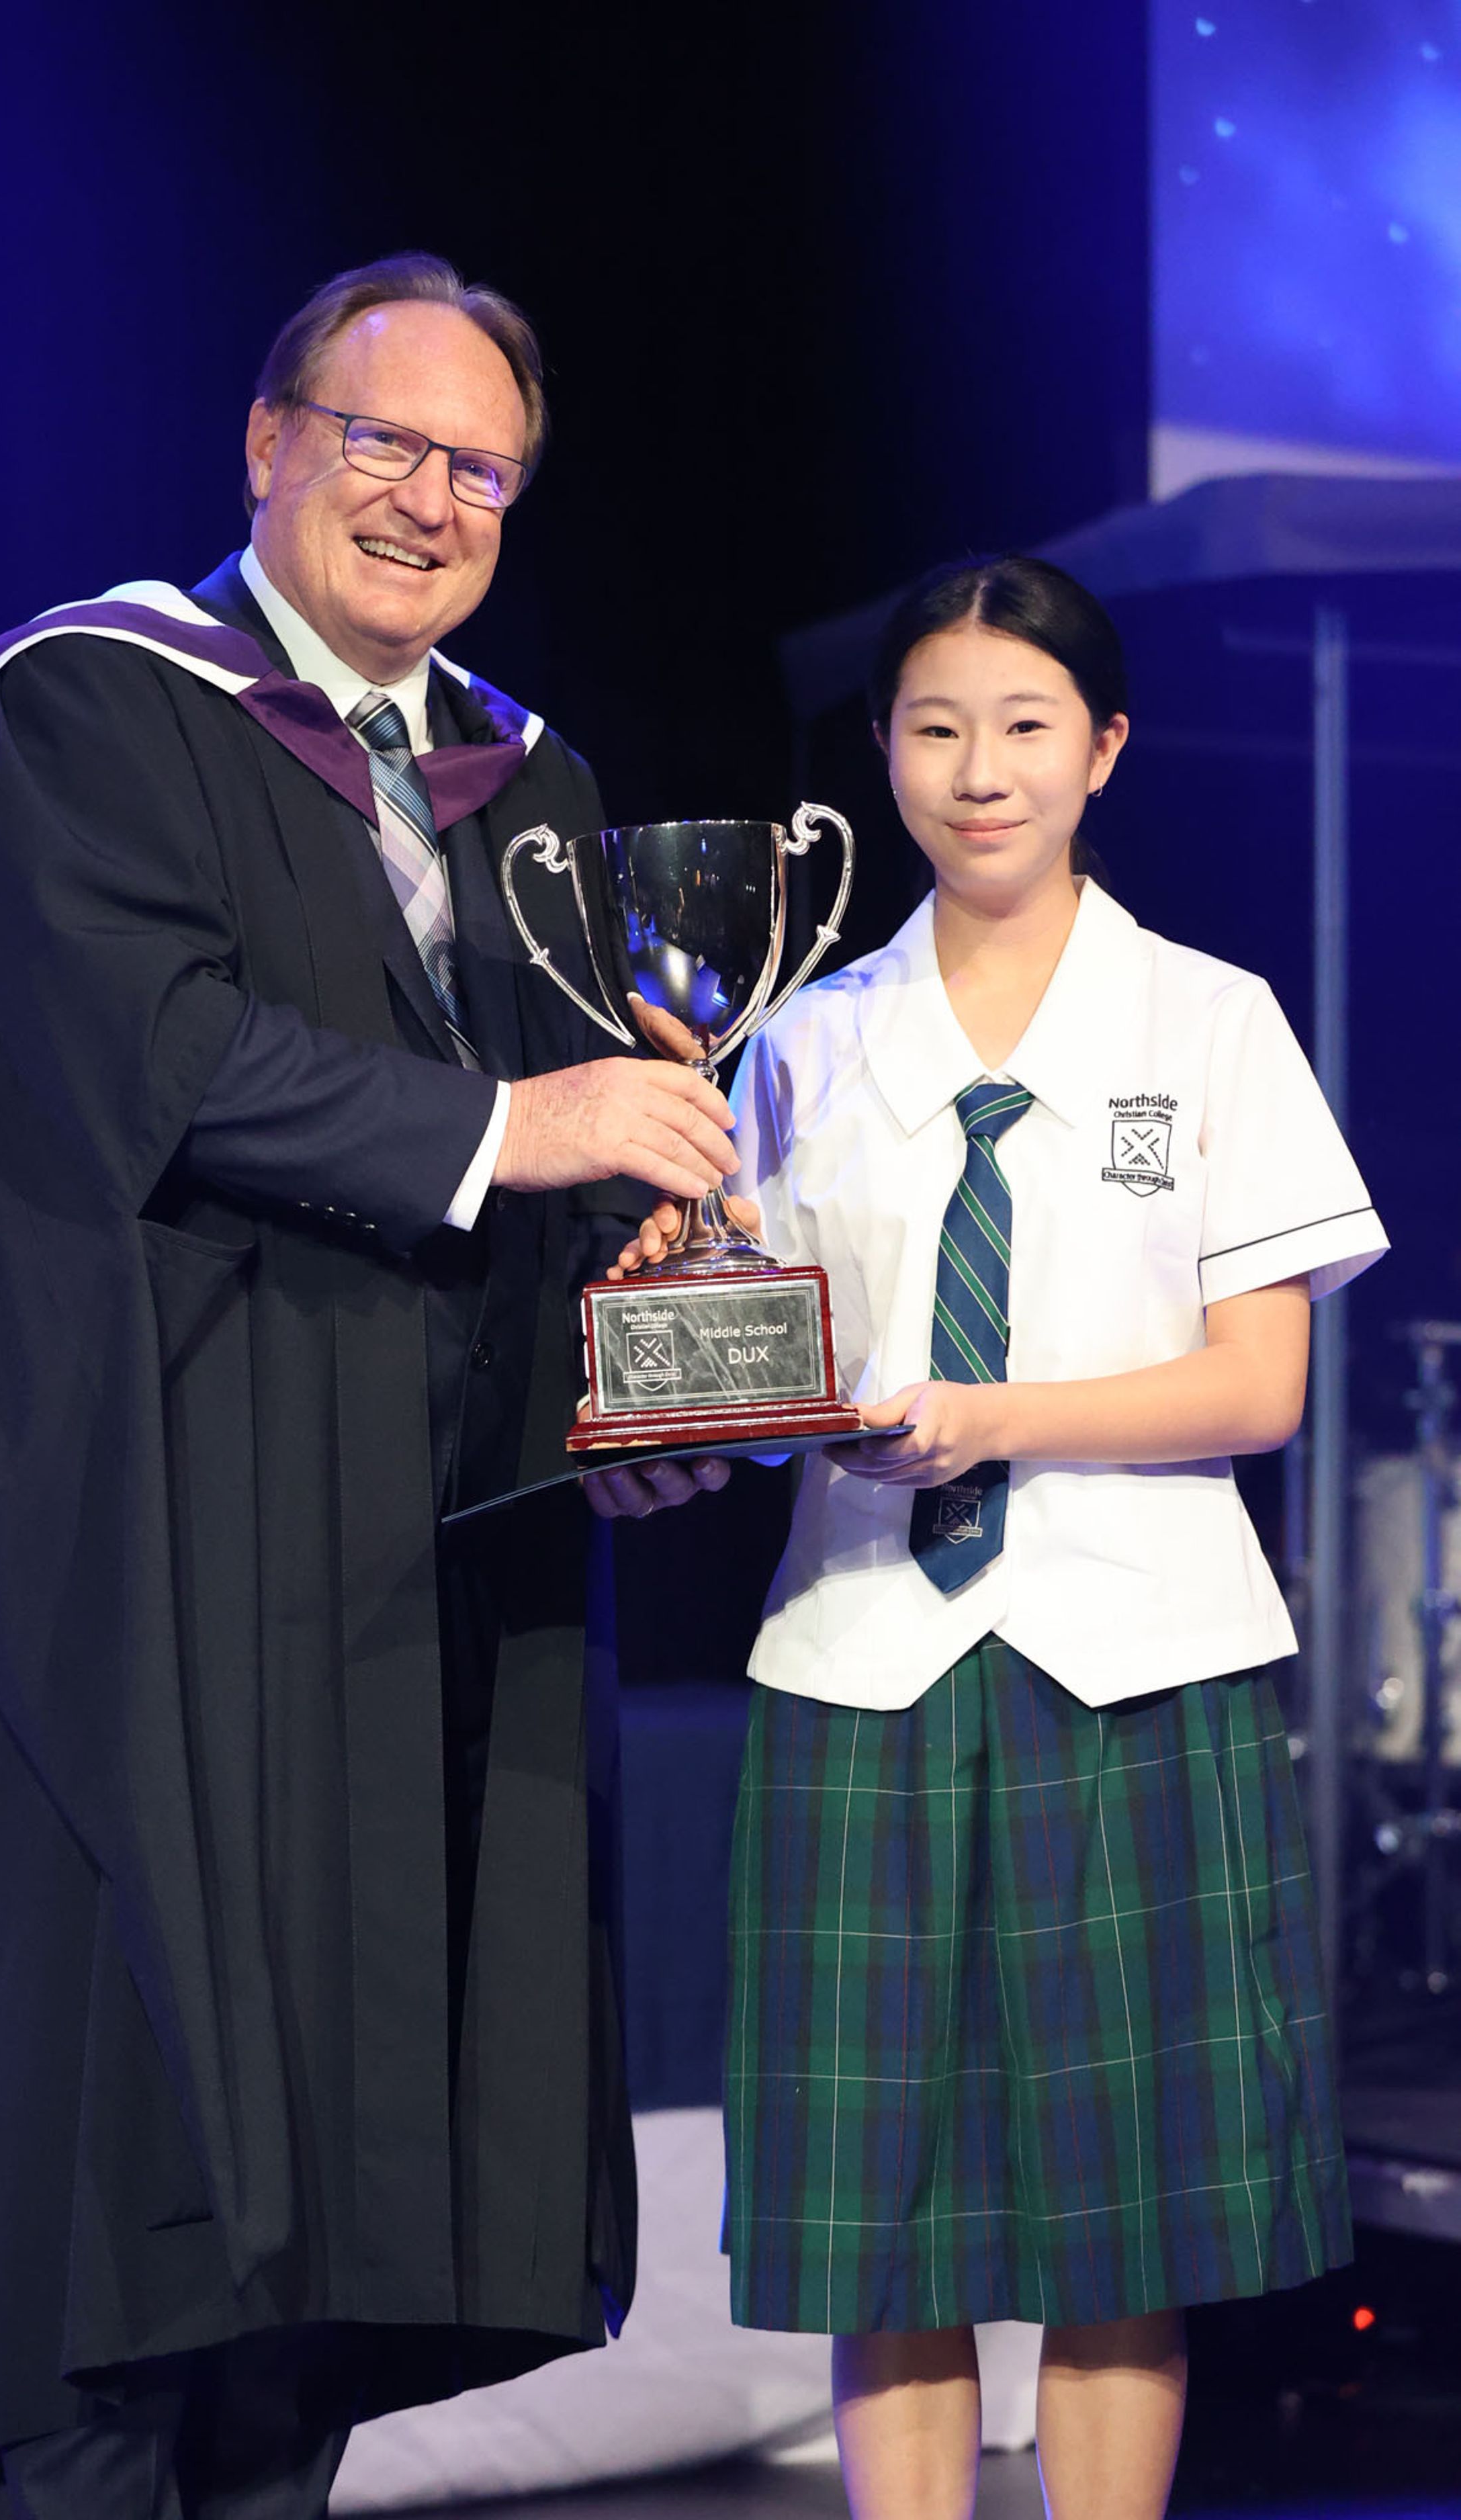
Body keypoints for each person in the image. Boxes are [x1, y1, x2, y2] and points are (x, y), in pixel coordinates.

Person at [0, 251, 734, 2520]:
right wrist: (517, 1128)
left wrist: (624, 1388)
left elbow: (565, 1167)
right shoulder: (76, 710)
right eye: (385, 442)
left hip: (420, 1577)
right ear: (267, 443)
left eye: (484, 471)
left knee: (342, 2217)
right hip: (143, 1537)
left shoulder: (529, 783)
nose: (431, 500)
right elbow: (143, 1049)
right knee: (130, 2192)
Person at [619, 554, 1385, 2518]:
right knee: (886, 2223)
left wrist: (988, 1417)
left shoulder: (1207, 1021)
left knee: (1128, 2223)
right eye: (936, 727)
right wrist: (669, 1430)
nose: (979, 771)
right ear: (880, 752)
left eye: (1025, 726)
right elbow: (756, 1356)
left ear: (1101, 750)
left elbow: (1258, 1389)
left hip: (1136, 1662)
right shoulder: (794, 1040)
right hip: (861, 1659)